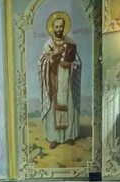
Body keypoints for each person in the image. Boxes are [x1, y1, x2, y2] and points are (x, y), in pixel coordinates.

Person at [39, 14, 81, 150]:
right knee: (53, 108)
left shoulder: (71, 43)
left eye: (61, 26)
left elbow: (78, 62)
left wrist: (70, 65)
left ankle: (68, 136)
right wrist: (52, 57)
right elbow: (42, 63)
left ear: (64, 27)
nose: (59, 29)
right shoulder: (48, 45)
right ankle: (54, 138)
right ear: (53, 28)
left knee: (68, 106)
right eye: (56, 26)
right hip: (54, 82)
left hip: (67, 82)